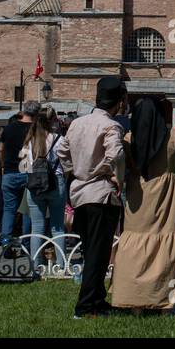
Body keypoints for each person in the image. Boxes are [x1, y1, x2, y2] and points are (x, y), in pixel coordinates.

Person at [111, 95, 175, 314]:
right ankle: (170, 303)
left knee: (134, 247)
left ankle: (135, 301)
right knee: (170, 250)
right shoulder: (172, 136)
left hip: (139, 197)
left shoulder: (128, 139)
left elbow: (120, 166)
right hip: (167, 198)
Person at [56, 75, 126, 319]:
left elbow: (62, 152)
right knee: (98, 253)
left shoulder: (77, 123)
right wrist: (108, 173)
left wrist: (74, 172)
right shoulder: (111, 126)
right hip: (100, 193)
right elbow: (115, 153)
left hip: (79, 193)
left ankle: (97, 300)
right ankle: (85, 306)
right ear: (118, 102)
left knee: (90, 249)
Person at [19, 106, 67, 266]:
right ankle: (60, 265)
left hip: (34, 185)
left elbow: (23, 167)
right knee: (57, 227)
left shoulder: (28, 141)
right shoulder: (58, 139)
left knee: (37, 228)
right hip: (56, 182)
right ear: (50, 122)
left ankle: (35, 265)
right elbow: (67, 163)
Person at [0, 103, 35, 255]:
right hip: (27, 170)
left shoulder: (8, 128)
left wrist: (2, 166)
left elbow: (1, 149)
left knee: (9, 210)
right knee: (27, 210)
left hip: (9, 172)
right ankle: (26, 243)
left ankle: (6, 242)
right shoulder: (34, 129)